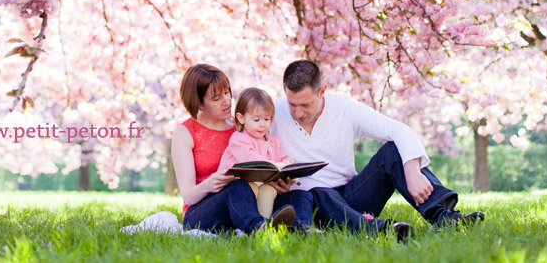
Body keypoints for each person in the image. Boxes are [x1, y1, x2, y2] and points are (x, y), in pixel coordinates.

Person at [271, 59, 484, 237]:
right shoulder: (272, 113)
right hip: (308, 205)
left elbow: (399, 131)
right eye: (292, 105)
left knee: (393, 151)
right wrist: (271, 181)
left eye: (306, 105)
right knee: (318, 192)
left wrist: (412, 170)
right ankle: (380, 229)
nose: (298, 113)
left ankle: (442, 216)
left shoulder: (343, 108)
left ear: (322, 92)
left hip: (350, 197)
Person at [171, 64, 310, 233]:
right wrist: (210, 184)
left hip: (250, 203)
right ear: (199, 103)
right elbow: (188, 195)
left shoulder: (247, 123)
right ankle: (259, 229)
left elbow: (268, 157)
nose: (227, 101)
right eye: (216, 98)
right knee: (237, 187)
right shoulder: (185, 133)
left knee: (300, 195)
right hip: (203, 212)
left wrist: (278, 180)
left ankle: (303, 229)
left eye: (227, 92)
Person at [218, 87, 293, 219]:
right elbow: (251, 159)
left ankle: (263, 222)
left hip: (263, 183)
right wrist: (273, 164)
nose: (262, 125)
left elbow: (283, 157)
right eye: (257, 120)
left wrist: (287, 164)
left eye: (267, 119)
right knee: (250, 189)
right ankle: (246, 223)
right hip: (237, 186)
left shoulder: (274, 141)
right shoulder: (238, 138)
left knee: (269, 191)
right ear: (241, 118)